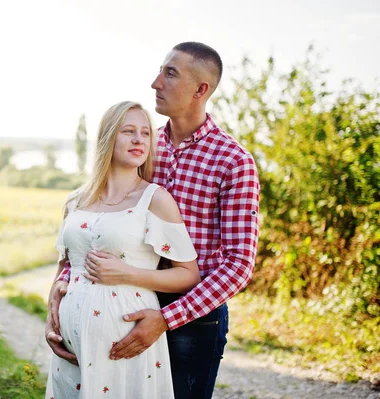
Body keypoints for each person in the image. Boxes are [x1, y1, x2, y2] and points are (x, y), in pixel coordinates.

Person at [46, 42, 260, 398]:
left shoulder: (232, 161)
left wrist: (167, 318)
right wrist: (64, 284)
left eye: (170, 73)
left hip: (193, 319)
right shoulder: (142, 146)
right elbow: (96, 224)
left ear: (200, 90)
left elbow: (238, 266)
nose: (155, 82)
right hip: (121, 307)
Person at [45, 101, 202, 398]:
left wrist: (128, 273)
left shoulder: (154, 200)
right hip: (70, 346)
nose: (139, 139)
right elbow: (65, 264)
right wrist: (51, 315)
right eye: (128, 131)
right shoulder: (76, 200)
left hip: (124, 339)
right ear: (107, 138)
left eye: (145, 133)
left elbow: (188, 274)